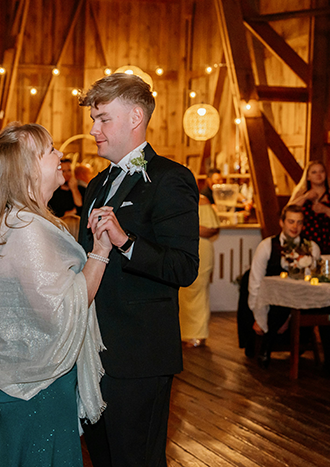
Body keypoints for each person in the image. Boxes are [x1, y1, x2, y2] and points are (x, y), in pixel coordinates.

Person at [77, 73, 199, 466]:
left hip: (138, 357)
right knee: (103, 458)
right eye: (93, 120)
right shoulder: (97, 184)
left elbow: (184, 267)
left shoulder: (169, 179)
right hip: (92, 351)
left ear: (134, 117)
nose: (94, 130)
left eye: (103, 119)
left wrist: (127, 243)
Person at [0, 123, 109, 466]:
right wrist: (101, 250)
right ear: (28, 168)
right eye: (50, 150)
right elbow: (66, 308)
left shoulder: (24, 220)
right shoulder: (27, 228)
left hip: (30, 370)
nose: (61, 154)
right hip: (37, 381)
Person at [248, 204, 330, 378]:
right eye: (291, 222)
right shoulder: (267, 245)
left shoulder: (312, 247)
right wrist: (258, 315)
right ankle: (266, 349)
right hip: (275, 300)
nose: (295, 227)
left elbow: (315, 277)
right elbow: (255, 281)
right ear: (281, 222)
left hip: (305, 300)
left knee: (328, 310)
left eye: (299, 223)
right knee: (279, 303)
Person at [179, 194, 220, 347]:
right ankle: (185, 332)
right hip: (182, 249)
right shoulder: (173, 197)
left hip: (201, 249)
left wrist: (185, 227)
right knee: (183, 292)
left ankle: (198, 334)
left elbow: (213, 229)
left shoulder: (201, 201)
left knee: (197, 290)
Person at [288, 160, 330, 254]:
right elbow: (287, 211)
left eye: (321, 171)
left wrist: (326, 210)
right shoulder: (301, 194)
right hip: (305, 243)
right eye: (314, 172)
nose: (318, 175)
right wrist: (305, 198)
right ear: (308, 176)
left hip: (327, 242)